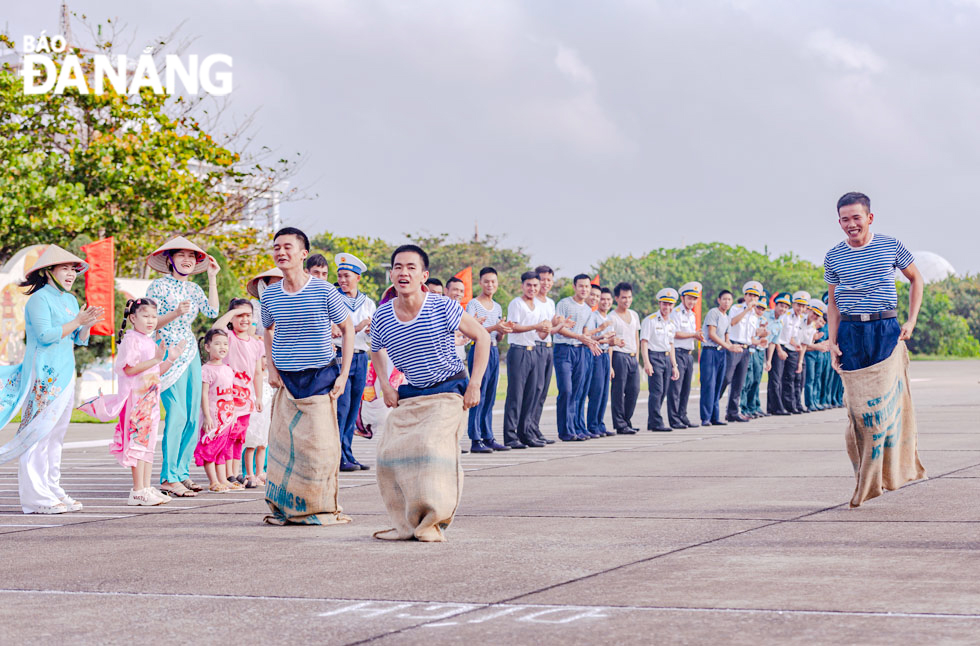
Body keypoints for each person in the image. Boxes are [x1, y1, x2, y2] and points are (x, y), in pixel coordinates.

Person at [369, 245, 490, 541]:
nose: (403, 273)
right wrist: (385, 385)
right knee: (387, 454)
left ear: (423, 275)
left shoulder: (442, 306)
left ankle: (431, 524)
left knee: (429, 447)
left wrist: (474, 384)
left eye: (411, 267)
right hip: (412, 393)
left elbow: (483, 337)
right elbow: (375, 350)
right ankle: (404, 525)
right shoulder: (383, 316)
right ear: (391, 274)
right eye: (398, 267)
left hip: (450, 390)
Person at [261, 227, 356, 525]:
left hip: (321, 377)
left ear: (303, 254)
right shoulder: (271, 295)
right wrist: (272, 368)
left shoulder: (324, 290)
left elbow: (348, 327)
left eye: (288, 247)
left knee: (319, 447)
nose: (281, 252)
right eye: (276, 247)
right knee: (285, 446)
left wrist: (343, 373)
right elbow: (267, 329)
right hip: (287, 381)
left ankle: (319, 507)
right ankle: (286, 508)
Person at [0, 245, 104, 514]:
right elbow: (46, 335)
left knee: (56, 437)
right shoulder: (39, 300)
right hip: (43, 375)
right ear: (48, 271)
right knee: (36, 435)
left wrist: (86, 323)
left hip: (65, 373)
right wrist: (77, 320)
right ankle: (37, 498)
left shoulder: (69, 300)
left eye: (73, 269)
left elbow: (78, 340)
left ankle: (52, 489)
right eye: (65, 268)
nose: (71, 273)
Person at [80, 298, 178, 506]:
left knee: (148, 445)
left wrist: (169, 359)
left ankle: (145, 487)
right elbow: (129, 369)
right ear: (133, 318)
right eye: (145, 316)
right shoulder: (131, 339)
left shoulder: (148, 340)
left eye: (154, 316)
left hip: (149, 400)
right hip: (136, 401)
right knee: (137, 443)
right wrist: (155, 359)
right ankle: (137, 490)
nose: (151, 320)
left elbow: (154, 370)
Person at [145, 236, 219, 498]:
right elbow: (149, 323)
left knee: (191, 416)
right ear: (170, 259)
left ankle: (181, 472)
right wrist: (175, 313)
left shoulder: (195, 289)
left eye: (192, 256)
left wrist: (211, 278)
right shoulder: (158, 286)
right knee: (176, 413)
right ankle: (168, 476)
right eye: (181, 255)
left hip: (191, 352)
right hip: (168, 353)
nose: (187, 260)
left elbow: (211, 312)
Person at [825, 192, 923, 371]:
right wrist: (832, 342)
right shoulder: (833, 256)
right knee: (855, 389)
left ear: (870, 218)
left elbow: (916, 278)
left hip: (884, 327)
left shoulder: (890, 245)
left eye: (857, 218)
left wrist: (911, 321)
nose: (851, 224)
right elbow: (832, 303)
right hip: (850, 329)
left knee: (887, 389)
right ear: (839, 222)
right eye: (845, 219)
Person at [330, 253, 377, 471]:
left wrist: (368, 330)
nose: (342, 280)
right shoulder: (332, 299)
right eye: (339, 275)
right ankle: (337, 455)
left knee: (354, 408)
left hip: (360, 356)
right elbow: (330, 332)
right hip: (339, 356)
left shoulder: (368, 303)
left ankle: (347, 452)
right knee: (342, 406)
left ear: (358, 277)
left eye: (347, 276)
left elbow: (374, 336)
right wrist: (356, 328)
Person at [212, 299, 265, 487]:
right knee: (227, 436)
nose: (244, 319)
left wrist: (258, 396)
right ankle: (227, 474)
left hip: (246, 398)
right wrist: (230, 313)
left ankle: (235, 473)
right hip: (227, 398)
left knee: (239, 438)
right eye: (239, 315)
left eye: (248, 315)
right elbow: (215, 328)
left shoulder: (256, 344)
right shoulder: (228, 337)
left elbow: (258, 372)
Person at [465, 267, 514, 453]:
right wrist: (495, 326)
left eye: (493, 281)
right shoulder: (473, 305)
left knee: (491, 396)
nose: (490, 285)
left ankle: (488, 435)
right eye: (486, 281)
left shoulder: (498, 307)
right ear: (480, 283)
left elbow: (497, 336)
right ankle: (475, 438)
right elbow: (472, 332)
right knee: (478, 394)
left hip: (493, 350)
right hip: (478, 350)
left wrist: (502, 330)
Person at [502, 271, 552, 449]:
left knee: (532, 393)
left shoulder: (537, 306)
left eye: (535, 285)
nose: (532, 288)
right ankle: (510, 435)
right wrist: (536, 326)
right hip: (518, 351)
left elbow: (540, 333)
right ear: (522, 286)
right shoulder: (517, 303)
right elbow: (512, 327)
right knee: (516, 394)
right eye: (529, 285)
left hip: (533, 351)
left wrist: (551, 327)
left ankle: (525, 433)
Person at [553, 274, 601, 441]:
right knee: (566, 390)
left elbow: (586, 333)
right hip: (564, 350)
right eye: (581, 286)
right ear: (574, 286)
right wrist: (578, 337)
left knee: (577, 391)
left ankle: (574, 429)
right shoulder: (564, 304)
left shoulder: (588, 310)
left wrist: (591, 342)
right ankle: (565, 431)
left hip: (580, 351)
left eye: (587, 287)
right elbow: (559, 328)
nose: (584, 290)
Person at [194, 329, 241, 493]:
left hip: (226, 418)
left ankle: (222, 479)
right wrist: (206, 416)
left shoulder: (228, 369)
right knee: (210, 449)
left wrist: (233, 414)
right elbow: (204, 395)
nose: (222, 347)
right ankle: (213, 481)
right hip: (213, 417)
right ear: (207, 347)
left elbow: (230, 394)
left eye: (225, 343)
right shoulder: (206, 370)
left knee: (221, 449)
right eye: (217, 343)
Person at [527, 266, 564, 445]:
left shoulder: (550, 302)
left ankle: (535, 427)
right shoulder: (532, 302)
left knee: (543, 391)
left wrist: (560, 324)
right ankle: (527, 429)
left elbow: (551, 329)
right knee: (535, 390)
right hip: (536, 347)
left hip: (549, 347)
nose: (546, 283)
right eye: (542, 279)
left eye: (549, 280)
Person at [722, 281, 764, 423]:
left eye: (755, 296)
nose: (752, 298)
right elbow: (732, 323)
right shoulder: (737, 308)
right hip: (734, 347)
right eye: (750, 295)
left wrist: (761, 337)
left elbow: (751, 336)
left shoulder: (755, 315)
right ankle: (714, 405)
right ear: (745, 296)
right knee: (727, 378)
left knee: (739, 382)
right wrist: (746, 310)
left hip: (746, 349)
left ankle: (733, 412)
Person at [700, 290, 742, 426]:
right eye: (724, 299)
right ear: (719, 300)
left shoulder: (727, 317)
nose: (727, 302)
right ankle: (705, 417)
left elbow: (727, 338)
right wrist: (728, 346)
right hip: (710, 351)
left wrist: (734, 347)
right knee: (709, 385)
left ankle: (715, 417)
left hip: (721, 353)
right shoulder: (714, 313)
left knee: (718, 384)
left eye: (729, 300)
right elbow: (712, 334)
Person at [640, 288, 680, 432]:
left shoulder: (671, 323)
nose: (667, 307)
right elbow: (644, 342)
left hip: (666, 358)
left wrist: (674, 365)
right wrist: (647, 362)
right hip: (654, 357)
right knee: (656, 391)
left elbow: (671, 345)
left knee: (663, 391)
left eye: (670, 304)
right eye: (664, 304)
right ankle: (657, 422)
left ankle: (652, 422)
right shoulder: (650, 321)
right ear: (659, 303)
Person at [667, 282, 704, 429]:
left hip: (688, 354)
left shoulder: (692, 315)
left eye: (694, 299)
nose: (692, 302)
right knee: (675, 388)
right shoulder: (675, 313)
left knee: (686, 388)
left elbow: (691, 334)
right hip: (678, 352)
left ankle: (683, 415)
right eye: (689, 298)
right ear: (682, 298)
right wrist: (693, 334)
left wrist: (696, 335)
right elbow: (674, 333)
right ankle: (674, 418)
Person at [608, 282, 641, 434]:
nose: (626, 300)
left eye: (629, 297)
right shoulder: (612, 317)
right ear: (616, 298)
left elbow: (636, 336)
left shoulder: (634, 315)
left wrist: (638, 358)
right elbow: (609, 342)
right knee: (618, 391)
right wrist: (610, 365)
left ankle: (627, 420)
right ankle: (620, 424)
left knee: (634, 390)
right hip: (619, 356)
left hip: (632, 356)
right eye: (623, 298)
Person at [586, 287, 617, 437]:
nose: (605, 302)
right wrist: (603, 334)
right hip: (596, 354)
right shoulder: (594, 316)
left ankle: (600, 423)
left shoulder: (608, 319)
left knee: (605, 392)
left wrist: (610, 365)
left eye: (608, 299)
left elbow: (610, 344)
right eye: (602, 299)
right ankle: (592, 425)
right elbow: (590, 337)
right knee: (596, 391)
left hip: (605, 356)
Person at [778, 291, 810, 414]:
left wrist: (795, 344)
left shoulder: (798, 318)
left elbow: (793, 336)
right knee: (787, 379)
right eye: (798, 305)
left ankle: (794, 404)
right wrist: (793, 343)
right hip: (783, 348)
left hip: (792, 349)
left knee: (794, 379)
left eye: (803, 306)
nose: (800, 308)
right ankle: (789, 405)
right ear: (793, 304)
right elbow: (782, 334)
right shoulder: (786, 315)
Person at [739, 294, 770, 419]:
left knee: (755, 380)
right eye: (758, 308)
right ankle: (745, 407)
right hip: (750, 350)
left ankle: (753, 406)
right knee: (747, 381)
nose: (760, 311)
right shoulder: (749, 317)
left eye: (763, 309)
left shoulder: (761, 320)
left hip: (758, 350)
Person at [765, 292, 792, 415]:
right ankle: (777, 407)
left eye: (786, 307)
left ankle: (773, 407)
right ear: (775, 305)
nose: (783, 309)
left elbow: (773, 340)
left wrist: (769, 360)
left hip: (771, 349)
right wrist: (780, 350)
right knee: (774, 380)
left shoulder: (780, 322)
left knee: (776, 380)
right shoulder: (766, 315)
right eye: (781, 305)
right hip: (759, 347)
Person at [803, 299, 830, 412]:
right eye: (820, 320)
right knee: (811, 379)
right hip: (810, 354)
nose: (821, 324)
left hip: (818, 354)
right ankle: (810, 402)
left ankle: (815, 400)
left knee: (817, 378)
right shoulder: (809, 327)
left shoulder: (815, 330)